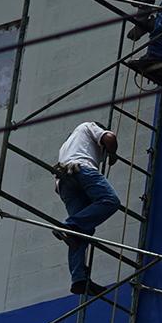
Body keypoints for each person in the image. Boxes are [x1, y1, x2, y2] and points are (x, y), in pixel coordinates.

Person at [53, 120, 122, 296]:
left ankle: (79, 279)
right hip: (81, 169)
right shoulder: (87, 126)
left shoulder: (66, 146)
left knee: (81, 232)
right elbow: (110, 137)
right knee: (110, 200)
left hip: (63, 182)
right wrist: (112, 153)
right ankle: (68, 225)